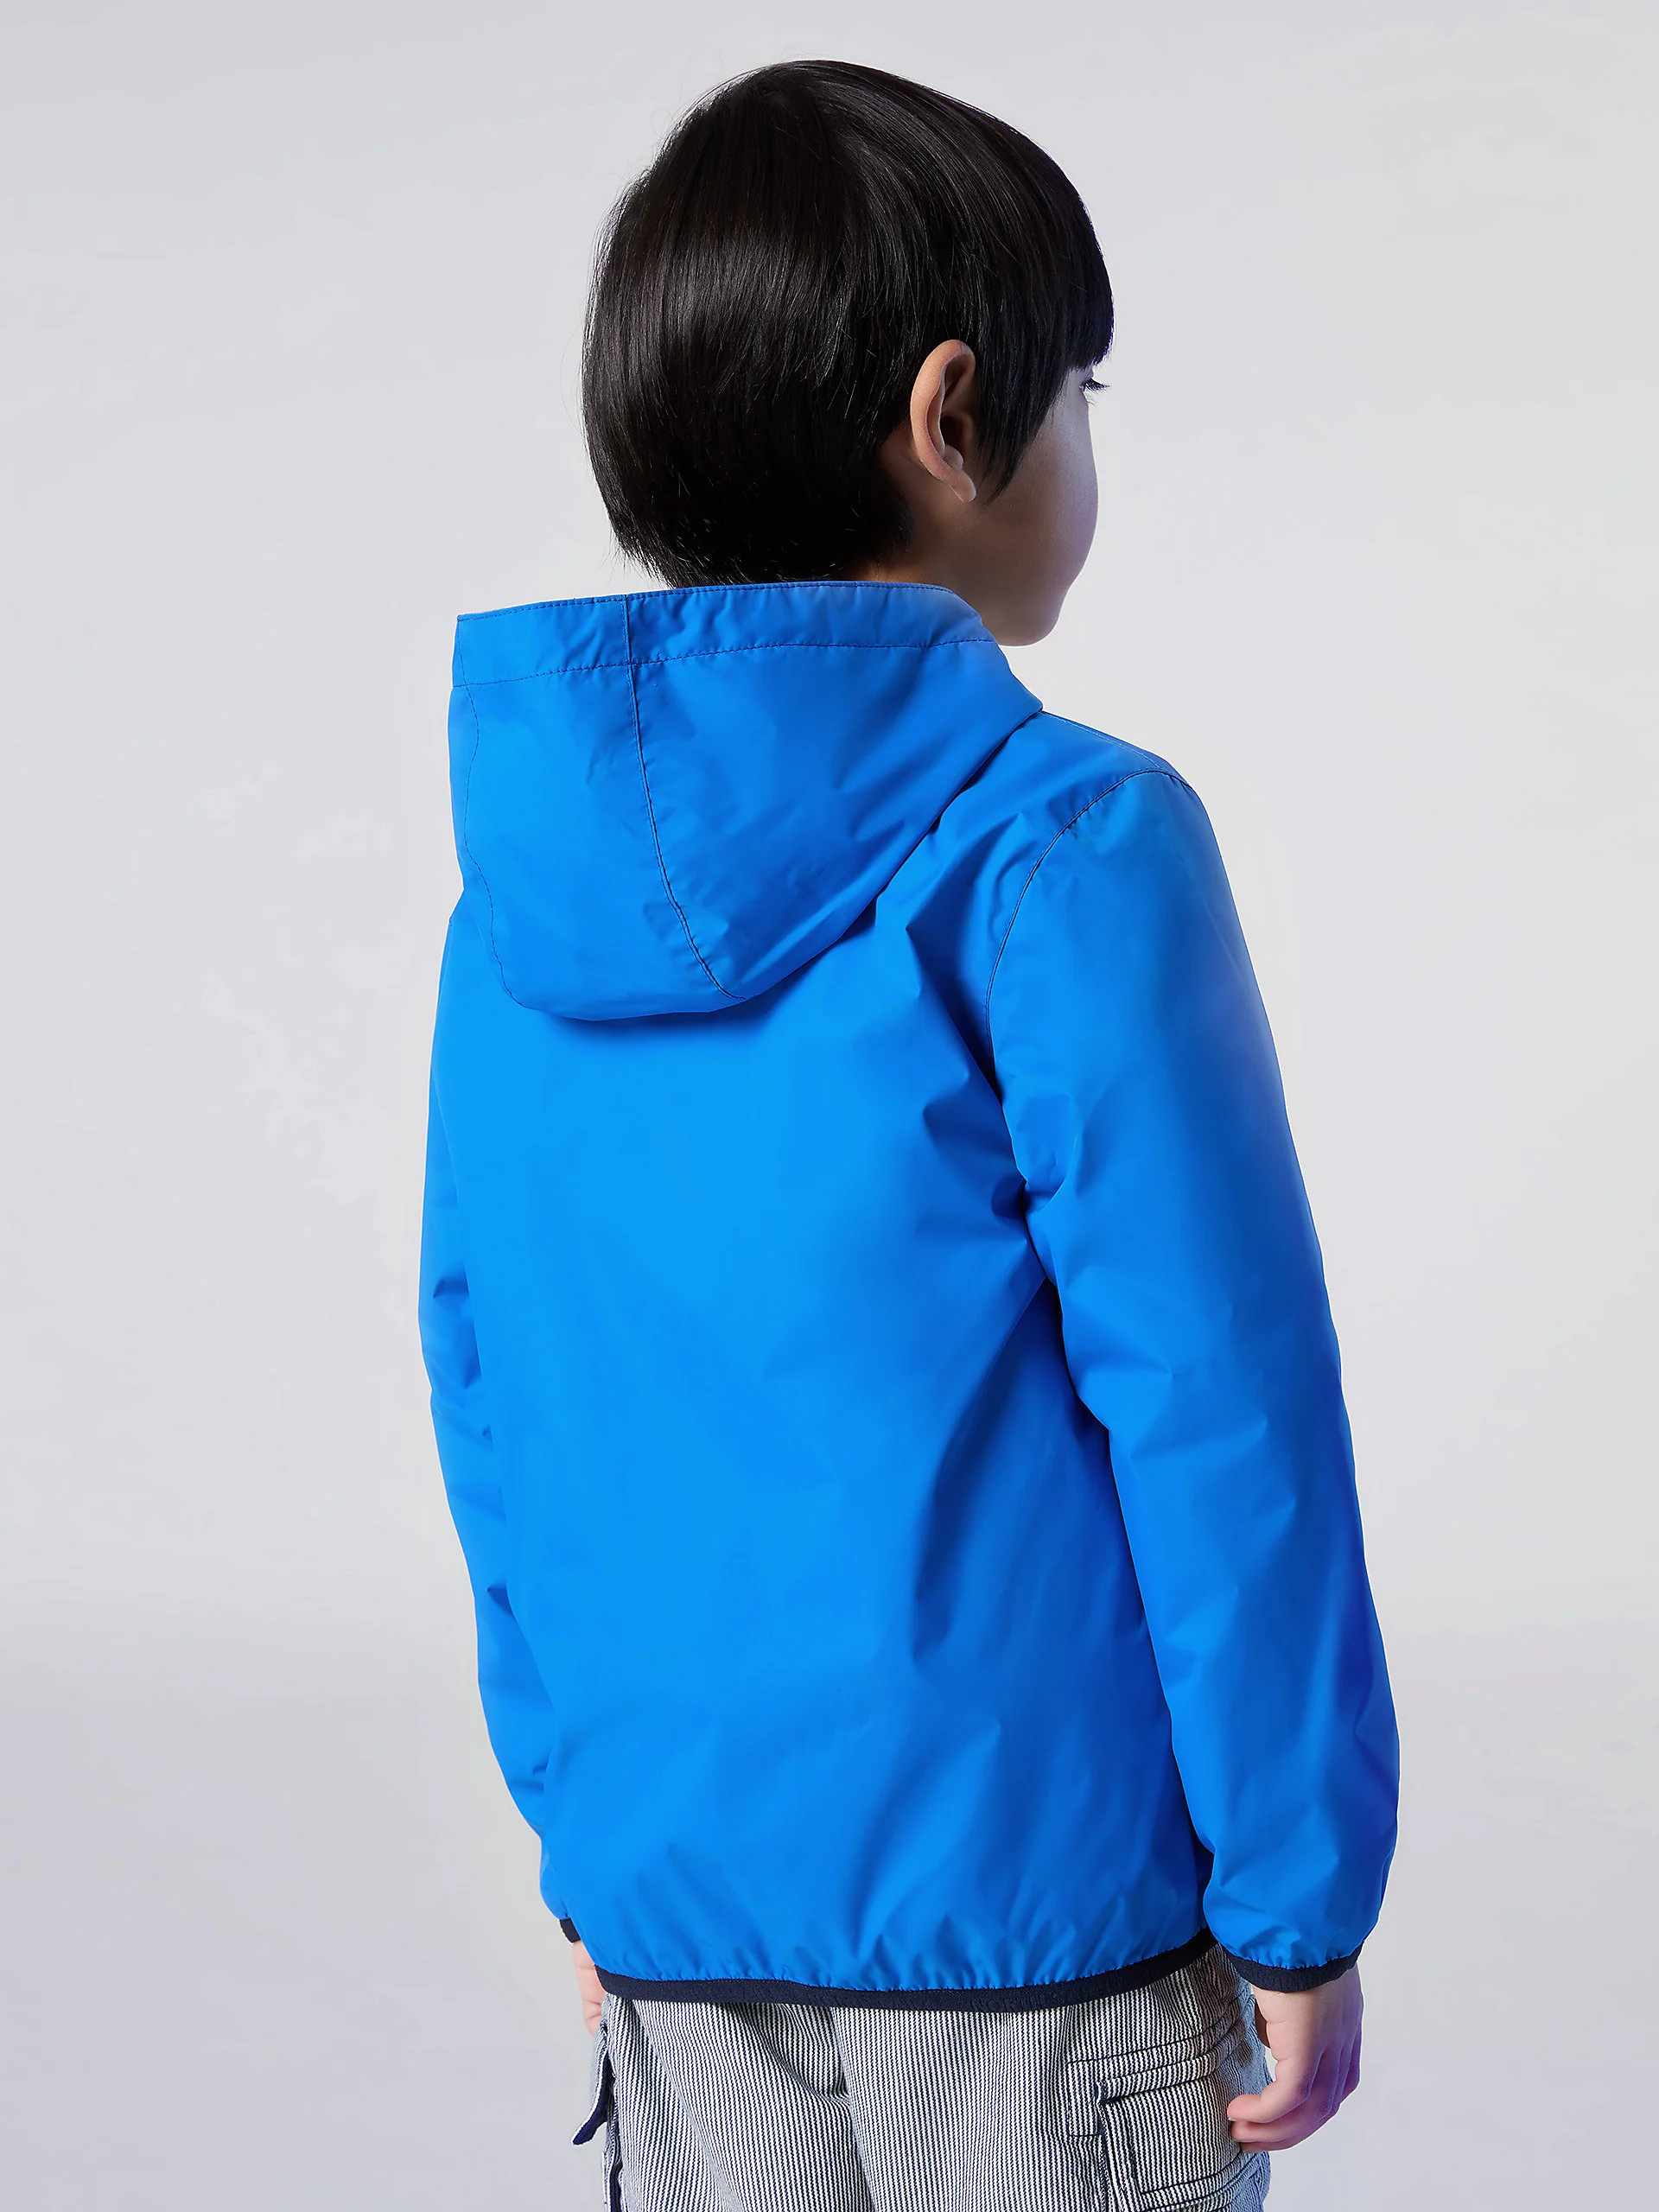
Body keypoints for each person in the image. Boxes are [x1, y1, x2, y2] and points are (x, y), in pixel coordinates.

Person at [419, 59, 1397, 2212]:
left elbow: (492, 1391)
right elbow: (1216, 1397)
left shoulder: (522, 910)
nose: (1086, 444)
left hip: (678, 1926)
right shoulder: (1069, 846)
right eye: (1082, 396)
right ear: (954, 417)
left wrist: (586, 1835)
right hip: (1052, 1931)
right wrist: (1302, 1886)